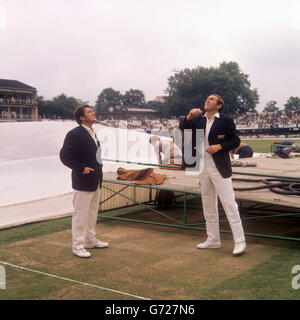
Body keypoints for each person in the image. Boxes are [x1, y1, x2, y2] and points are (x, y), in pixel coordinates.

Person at [179, 94, 246, 256]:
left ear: (219, 106)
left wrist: (220, 146)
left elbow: (235, 141)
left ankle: (239, 241)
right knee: (208, 203)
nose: (207, 100)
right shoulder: (199, 119)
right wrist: (188, 117)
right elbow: (184, 130)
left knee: (229, 204)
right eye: (207, 99)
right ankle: (213, 239)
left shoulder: (226, 120)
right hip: (203, 165)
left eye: (211, 99)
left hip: (219, 166)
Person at [60, 105, 109, 258]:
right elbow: (65, 156)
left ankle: (90, 240)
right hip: (82, 181)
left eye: (92, 111)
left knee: (92, 213)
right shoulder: (74, 134)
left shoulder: (92, 133)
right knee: (80, 215)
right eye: (89, 112)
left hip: (95, 181)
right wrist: (82, 168)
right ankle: (78, 246)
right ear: (81, 117)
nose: (93, 113)